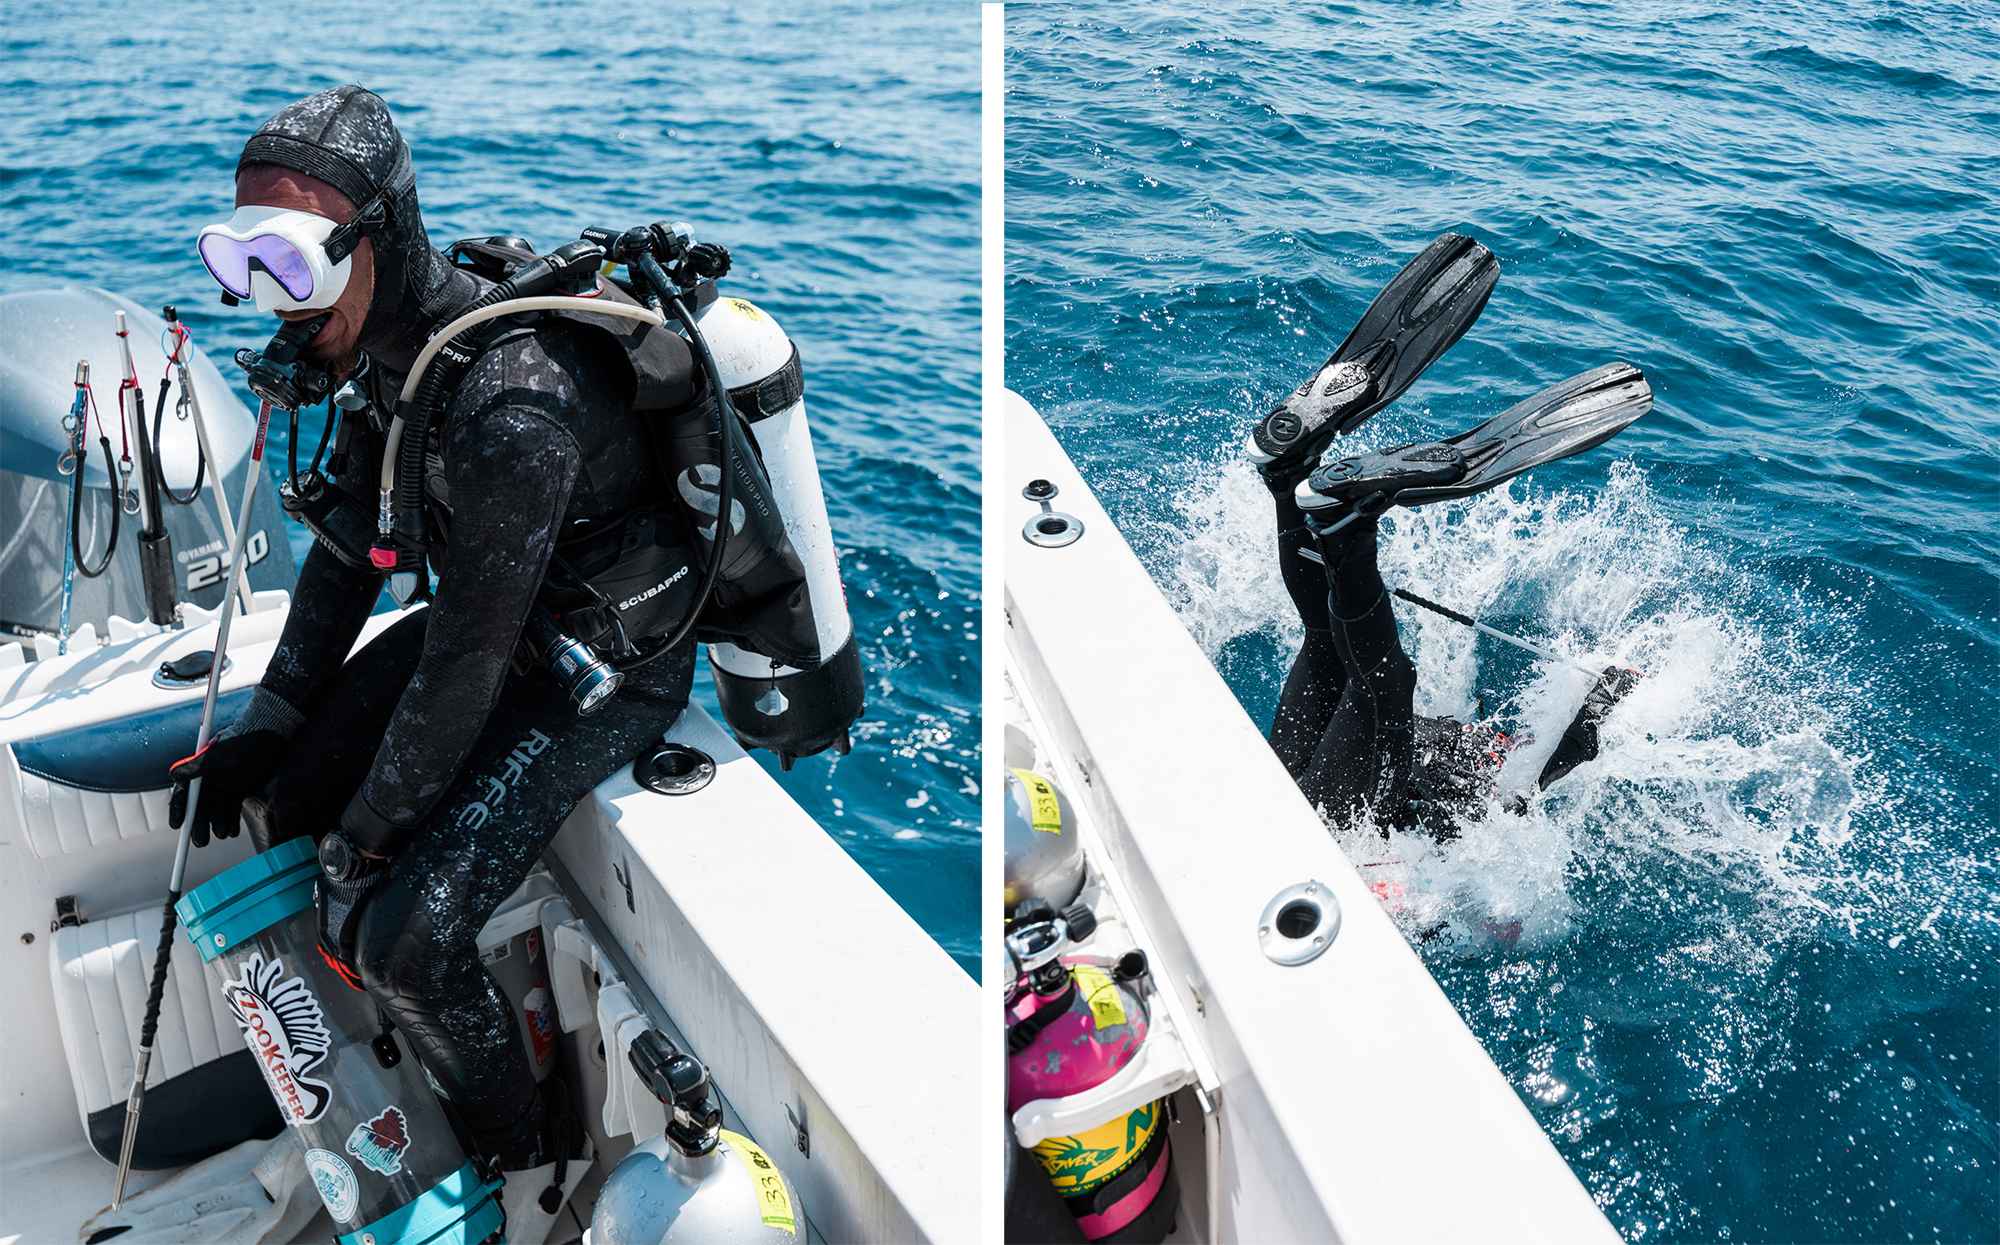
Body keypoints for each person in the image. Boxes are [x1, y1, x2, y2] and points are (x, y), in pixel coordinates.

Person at [168, 85, 713, 1235]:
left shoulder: (506, 406)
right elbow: (343, 558)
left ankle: (528, 1151)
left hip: (604, 661)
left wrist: (371, 841)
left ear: (378, 238)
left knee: (408, 937)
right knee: (285, 795)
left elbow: (462, 670)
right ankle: (379, 1074)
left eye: (290, 264)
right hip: (499, 627)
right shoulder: (394, 357)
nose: (263, 301)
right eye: (239, 261)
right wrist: (271, 719)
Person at [1244, 235, 1651, 837]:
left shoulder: (1454, 779)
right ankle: (1329, 512)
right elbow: (1549, 774)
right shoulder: (1487, 809)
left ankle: (1291, 478)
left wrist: (1611, 693)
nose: (1483, 738)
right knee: (1365, 673)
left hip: (1301, 800)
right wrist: (1604, 702)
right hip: (1322, 827)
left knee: (1334, 649)